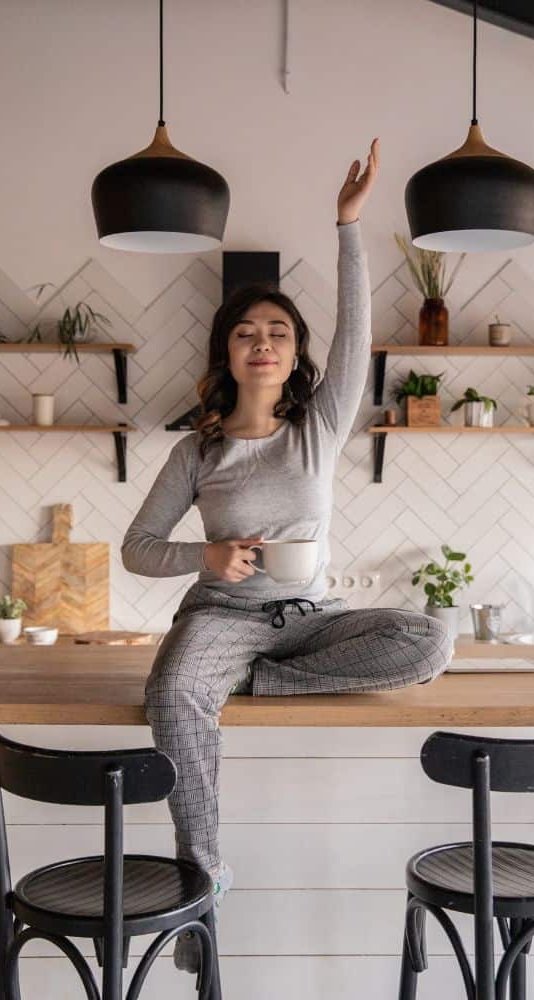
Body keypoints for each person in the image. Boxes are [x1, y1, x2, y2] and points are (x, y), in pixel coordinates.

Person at [121, 137, 453, 972]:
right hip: (222, 615)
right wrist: (208, 556)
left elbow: (357, 336)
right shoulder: (195, 453)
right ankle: (204, 879)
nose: (261, 342)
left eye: (276, 332)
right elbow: (137, 549)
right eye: (245, 332)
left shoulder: (317, 432)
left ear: (293, 353)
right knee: (173, 688)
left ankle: (260, 681)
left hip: (310, 621)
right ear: (227, 354)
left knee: (430, 640)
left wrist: (348, 224)